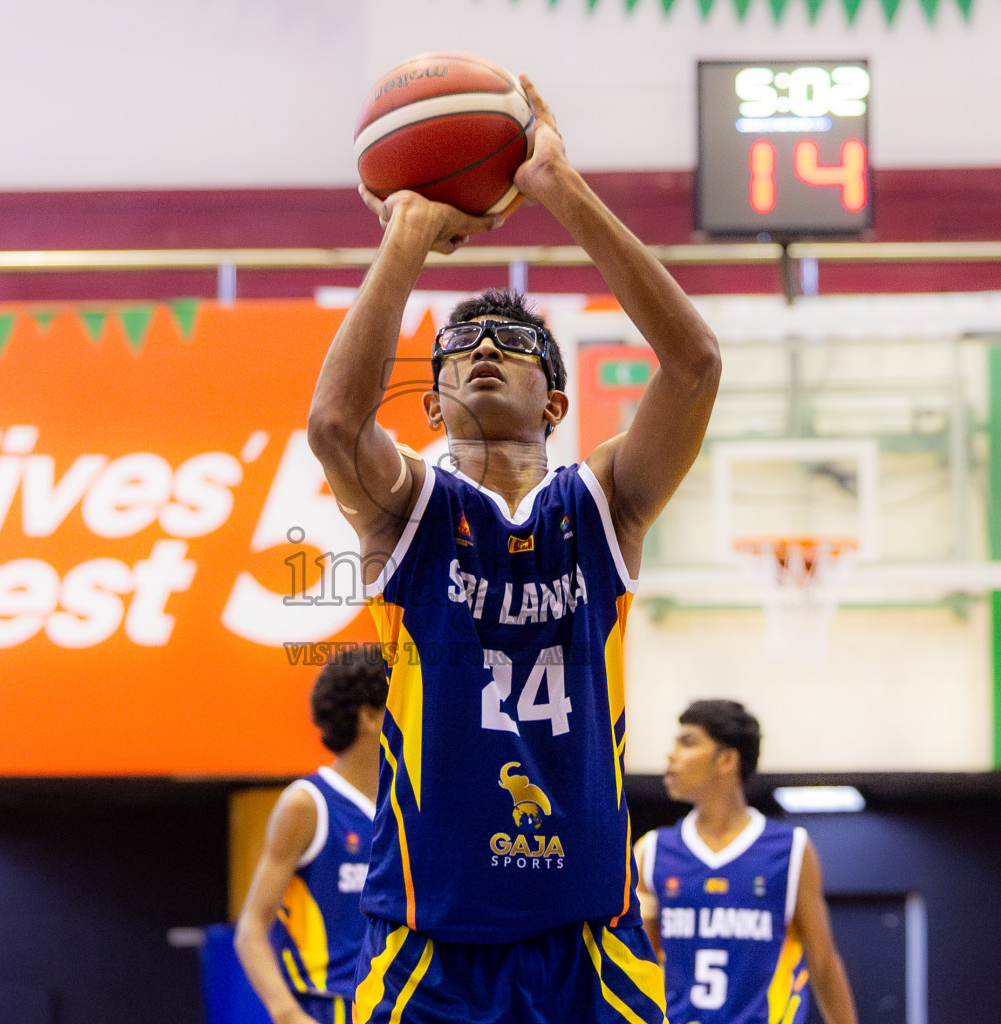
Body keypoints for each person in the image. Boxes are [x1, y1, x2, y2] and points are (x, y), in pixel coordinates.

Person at [306, 73, 721, 1024]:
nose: (483, 345)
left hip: (588, 942)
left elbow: (695, 364)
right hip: (429, 944)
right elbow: (334, 423)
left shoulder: (603, 504)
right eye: (461, 343)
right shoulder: (406, 508)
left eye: (511, 339)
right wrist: (407, 231)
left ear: (558, 402)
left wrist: (560, 190)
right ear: (432, 395)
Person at [635, 700, 858, 1024]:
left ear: (726, 758)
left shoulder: (791, 849)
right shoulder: (653, 850)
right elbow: (641, 966)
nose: (671, 754)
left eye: (688, 742)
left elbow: (823, 963)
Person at [235, 644, 388, 1024]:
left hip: (394, 1005)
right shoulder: (309, 805)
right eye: (399, 707)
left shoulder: (407, 805)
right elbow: (251, 929)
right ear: (369, 716)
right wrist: (287, 1013)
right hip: (324, 1006)